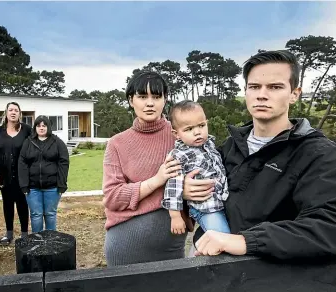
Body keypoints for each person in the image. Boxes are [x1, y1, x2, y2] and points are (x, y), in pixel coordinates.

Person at [182, 50, 336, 260]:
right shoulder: (230, 146)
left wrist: (247, 241)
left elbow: (328, 226)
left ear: (294, 94)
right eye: (254, 86)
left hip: (265, 275)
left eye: (275, 87)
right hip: (206, 260)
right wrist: (187, 191)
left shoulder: (319, 154)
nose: (262, 94)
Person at [102, 71, 194, 267]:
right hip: (124, 250)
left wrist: (186, 191)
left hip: (170, 248)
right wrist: (158, 180)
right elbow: (112, 197)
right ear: (130, 100)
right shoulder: (117, 144)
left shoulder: (181, 136)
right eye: (142, 96)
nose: (150, 103)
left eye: (156, 96)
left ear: (165, 100)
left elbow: (203, 180)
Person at [162, 100, 230, 235]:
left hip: (222, 202)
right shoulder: (178, 156)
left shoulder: (210, 145)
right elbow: (172, 187)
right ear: (176, 134)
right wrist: (176, 217)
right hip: (204, 209)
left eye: (201, 125)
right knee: (222, 236)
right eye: (189, 129)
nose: (197, 132)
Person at [0, 102, 32, 245]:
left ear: (20, 114)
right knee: (7, 203)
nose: (13, 112)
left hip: (22, 175)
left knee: (22, 204)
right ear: (6, 113)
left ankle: (25, 234)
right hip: (3, 175)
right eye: (10, 110)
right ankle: (8, 233)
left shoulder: (27, 130)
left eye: (16, 110)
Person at [18, 115, 70, 233]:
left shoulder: (57, 142)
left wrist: (62, 183)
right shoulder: (28, 142)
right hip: (32, 188)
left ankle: (50, 242)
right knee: (36, 215)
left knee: (50, 214)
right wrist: (24, 185)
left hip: (52, 187)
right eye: (38, 125)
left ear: (48, 127)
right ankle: (37, 241)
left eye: (44, 125)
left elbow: (64, 163)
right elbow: (22, 164)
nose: (41, 128)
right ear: (35, 127)